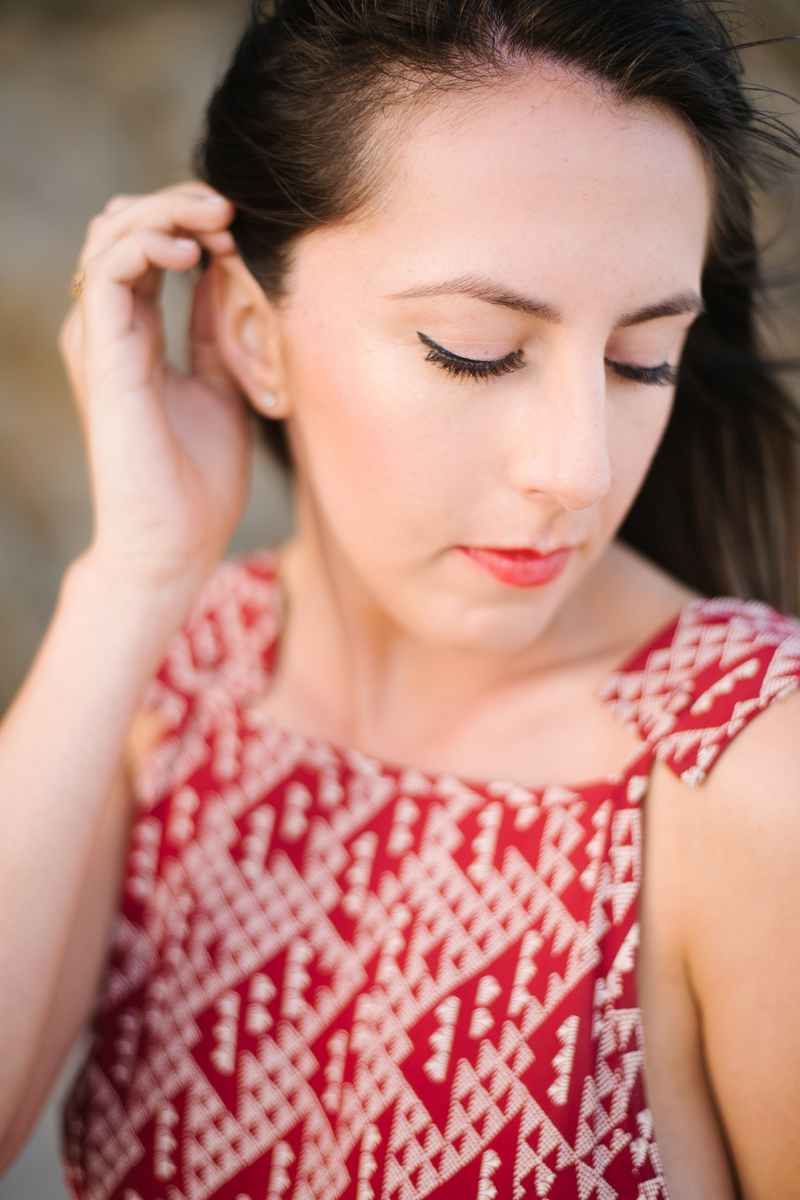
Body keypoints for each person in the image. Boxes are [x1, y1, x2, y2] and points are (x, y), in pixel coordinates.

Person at [1, 0, 799, 1196]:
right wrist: (130, 582)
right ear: (253, 338)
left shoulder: (742, 773)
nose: (578, 470)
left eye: (642, 360)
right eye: (476, 349)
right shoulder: (166, 684)